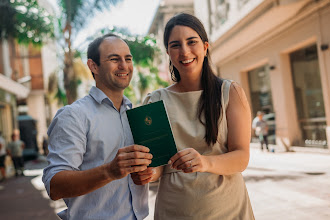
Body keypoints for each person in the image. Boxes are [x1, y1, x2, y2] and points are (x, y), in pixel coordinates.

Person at [131, 13, 255, 219]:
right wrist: (146, 174)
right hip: (174, 211)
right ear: (168, 53)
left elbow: (241, 157)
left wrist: (205, 163)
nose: (185, 51)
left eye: (192, 42)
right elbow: (158, 168)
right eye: (175, 45)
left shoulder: (230, 92)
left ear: (205, 47)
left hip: (229, 210)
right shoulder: (155, 100)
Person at [42, 33, 153, 220]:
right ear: (93, 66)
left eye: (128, 59)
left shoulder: (134, 115)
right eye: (114, 59)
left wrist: (148, 174)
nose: (124, 66)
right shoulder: (74, 115)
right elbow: (55, 187)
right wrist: (109, 171)